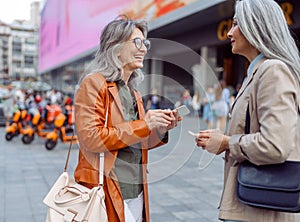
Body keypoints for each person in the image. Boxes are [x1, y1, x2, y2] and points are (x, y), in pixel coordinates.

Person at [193, 0, 300, 221]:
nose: (229, 32)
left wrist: (226, 143)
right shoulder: (257, 73)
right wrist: (221, 140)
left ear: (256, 26)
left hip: (261, 208)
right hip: (253, 204)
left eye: (235, 24)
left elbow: (275, 145)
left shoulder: (273, 71)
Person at [74, 17, 180, 222]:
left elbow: (138, 142)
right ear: (116, 47)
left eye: (145, 43)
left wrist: (160, 129)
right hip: (105, 189)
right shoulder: (94, 83)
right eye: (137, 42)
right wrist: (144, 124)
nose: (144, 49)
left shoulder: (133, 92)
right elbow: (91, 138)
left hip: (136, 191)